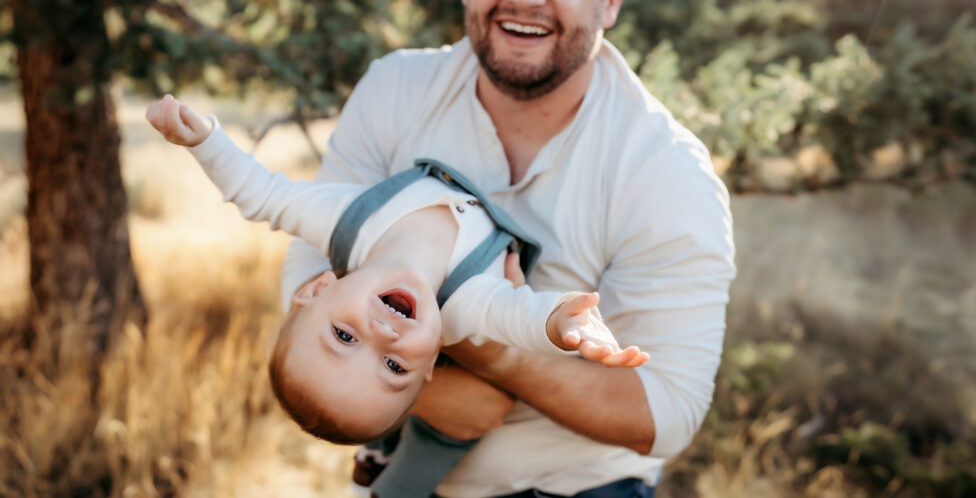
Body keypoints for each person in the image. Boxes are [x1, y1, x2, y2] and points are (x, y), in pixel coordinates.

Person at [281, 0, 736, 497]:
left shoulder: (667, 172)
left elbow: (666, 415)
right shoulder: (395, 89)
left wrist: (491, 353)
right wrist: (433, 395)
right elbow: (308, 263)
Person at [146, 94, 649, 446]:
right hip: (467, 428)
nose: (383, 335)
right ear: (430, 365)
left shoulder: (345, 221)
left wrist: (204, 141)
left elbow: (261, 194)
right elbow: (522, 315)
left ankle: (378, 473)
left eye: (344, 336)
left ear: (319, 286)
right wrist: (566, 324)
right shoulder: (466, 303)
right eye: (394, 366)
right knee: (440, 448)